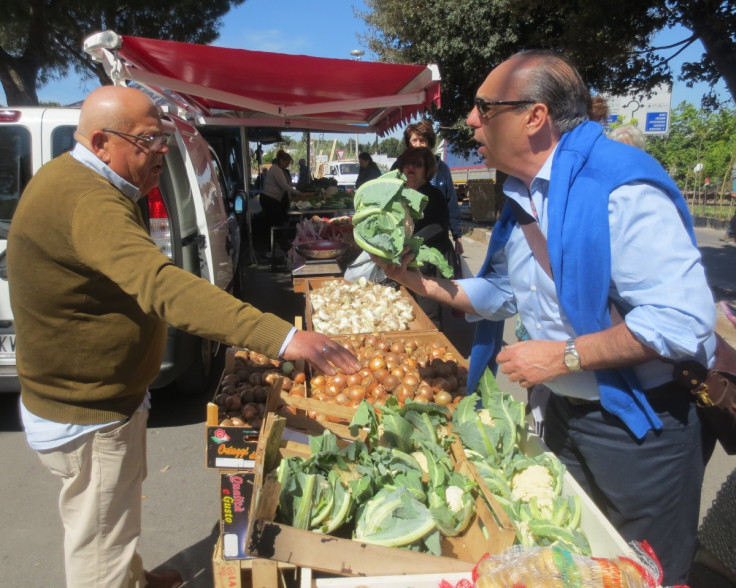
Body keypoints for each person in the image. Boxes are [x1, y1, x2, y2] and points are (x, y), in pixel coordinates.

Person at [374, 50, 717, 585]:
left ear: (534, 117)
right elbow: (501, 293)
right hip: (563, 416)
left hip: (640, 428)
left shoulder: (619, 185)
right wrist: (409, 280)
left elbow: (680, 321)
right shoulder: (525, 194)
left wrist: (562, 356)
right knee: (565, 564)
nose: (469, 121)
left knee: (647, 574)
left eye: (483, 109)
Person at [6, 86, 359, 588]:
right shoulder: (87, 199)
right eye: (150, 140)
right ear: (103, 141)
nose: (162, 151)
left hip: (100, 398)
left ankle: (133, 579)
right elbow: (161, 284)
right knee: (98, 538)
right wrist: (280, 337)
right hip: (87, 410)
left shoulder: (85, 181)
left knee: (111, 519)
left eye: (164, 138)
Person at [398, 146, 454, 328]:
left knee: (428, 315)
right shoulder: (398, 193)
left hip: (427, 263)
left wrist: (408, 244)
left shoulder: (434, 195)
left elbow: (438, 227)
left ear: (427, 168)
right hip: (404, 260)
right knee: (405, 311)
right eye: (406, 163)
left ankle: (435, 353)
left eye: (417, 163)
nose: (410, 167)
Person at [394, 120, 464, 258]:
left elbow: (450, 204)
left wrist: (457, 235)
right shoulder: (399, 167)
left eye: (422, 140)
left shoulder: (441, 170)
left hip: (432, 246)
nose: (418, 144)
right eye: (414, 140)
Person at [260, 149, 310, 256]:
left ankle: (276, 247)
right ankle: (275, 248)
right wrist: (299, 193)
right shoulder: (276, 170)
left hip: (271, 199)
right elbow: (284, 186)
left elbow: (286, 184)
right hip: (269, 199)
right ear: (281, 160)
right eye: (287, 163)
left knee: (275, 223)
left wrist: (295, 189)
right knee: (275, 224)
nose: (287, 165)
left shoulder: (278, 169)